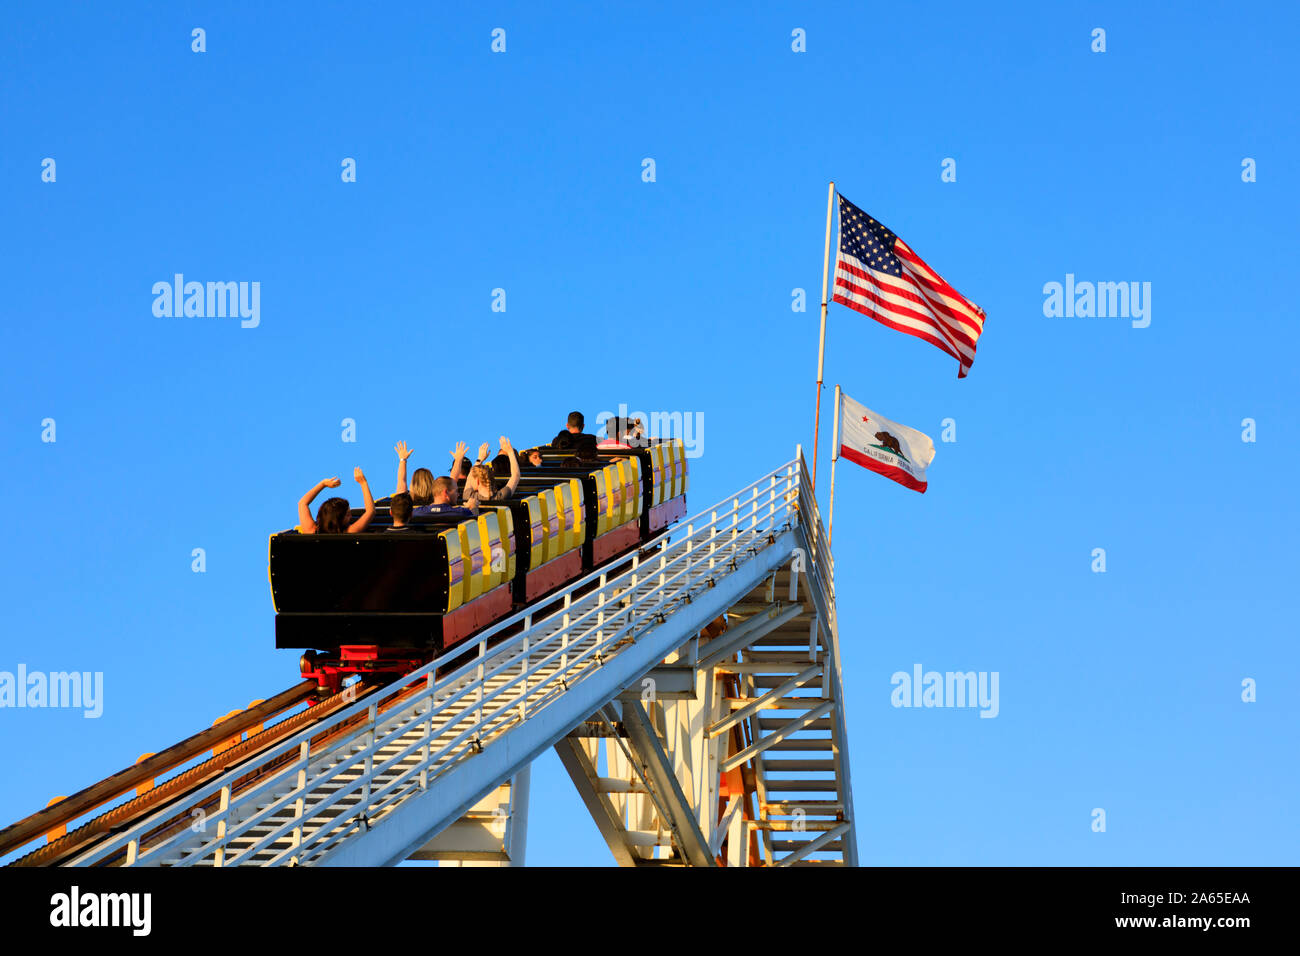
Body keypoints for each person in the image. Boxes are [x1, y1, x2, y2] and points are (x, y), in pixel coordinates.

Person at [297, 468, 375, 534]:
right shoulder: (349, 532)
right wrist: (363, 483)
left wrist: (323, 484)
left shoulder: (311, 531)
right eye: (347, 514)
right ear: (338, 518)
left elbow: (303, 503)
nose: (351, 516)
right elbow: (370, 511)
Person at [462, 436, 521, 509]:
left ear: (477, 481)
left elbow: (470, 477)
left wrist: (480, 459)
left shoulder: (468, 497)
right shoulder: (501, 496)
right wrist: (510, 452)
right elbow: (516, 475)